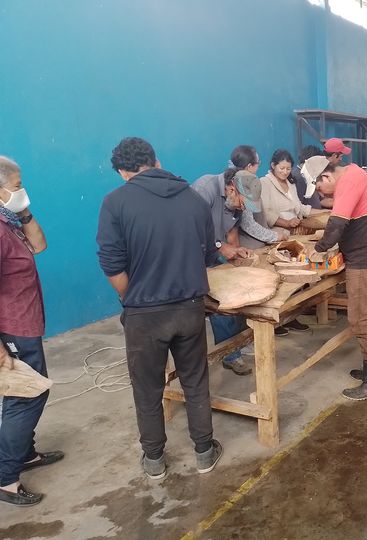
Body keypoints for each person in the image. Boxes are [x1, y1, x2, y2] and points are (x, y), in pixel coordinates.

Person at [96, 137, 222, 480]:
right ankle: (204, 451)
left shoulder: (115, 202)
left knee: (147, 387)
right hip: (190, 308)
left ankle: (154, 459)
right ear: (157, 161)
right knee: (195, 380)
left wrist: (134, 298)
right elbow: (209, 256)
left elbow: (111, 264)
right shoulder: (194, 199)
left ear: (123, 172)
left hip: (144, 314)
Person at [302, 156, 367, 401]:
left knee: (362, 321)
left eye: (320, 187)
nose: (321, 193)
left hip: (366, 263)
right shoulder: (354, 172)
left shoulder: (349, 182)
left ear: (326, 176)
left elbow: (336, 224)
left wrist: (318, 249)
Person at [0, 157, 63, 506]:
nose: (22, 189)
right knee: (26, 396)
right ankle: (5, 478)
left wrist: (23, 211)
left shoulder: (8, 221)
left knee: (28, 391)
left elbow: (39, 245)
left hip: (26, 322)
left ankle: (24, 454)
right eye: (16, 185)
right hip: (12, 328)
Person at [192, 149, 287, 374]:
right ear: (232, 190)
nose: (244, 209)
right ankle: (229, 354)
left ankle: (235, 347)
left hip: (213, 252)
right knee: (219, 301)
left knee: (234, 294)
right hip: (192, 255)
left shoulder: (236, 199)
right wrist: (221, 247)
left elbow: (232, 230)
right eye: (243, 204)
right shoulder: (204, 190)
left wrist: (235, 252)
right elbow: (190, 231)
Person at [260, 149, 319, 335]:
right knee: (280, 279)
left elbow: (299, 208)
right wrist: (286, 223)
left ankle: (291, 317)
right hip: (276, 236)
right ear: (273, 166)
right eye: (282, 168)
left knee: (295, 277)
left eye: (288, 168)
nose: (285, 172)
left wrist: (323, 212)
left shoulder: (290, 183)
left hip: (294, 234)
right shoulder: (264, 183)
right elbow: (266, 213)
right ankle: (275, 321)